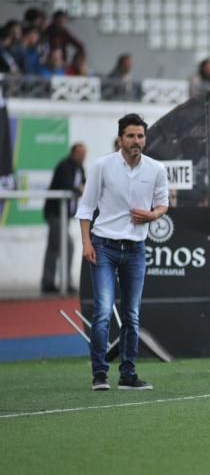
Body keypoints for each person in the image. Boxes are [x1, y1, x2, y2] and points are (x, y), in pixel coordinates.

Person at [76, 113, 169, 391]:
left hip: (135, 249)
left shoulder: (156, 169)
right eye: (131, 136)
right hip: (103, 245)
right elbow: (85, 208)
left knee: (132, 314)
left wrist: (153, 216)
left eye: (140, 136)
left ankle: (128, 375)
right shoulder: (102, 166)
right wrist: (86, 243)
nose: (136, 141)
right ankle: (99, 375)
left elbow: (163, 204)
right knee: (103, 311)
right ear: (120, 139)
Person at [42, 143, 86, 293]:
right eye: (80, 154)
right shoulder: (65, 166)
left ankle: (48, 283)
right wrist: (78, 189)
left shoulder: (80, 168)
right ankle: (65, 282)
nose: (82, 157)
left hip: (65, 215)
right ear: (73, 153)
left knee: (53, 248)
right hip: (55, 213)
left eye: (84, 154)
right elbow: (66, 184)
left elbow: (84, 184)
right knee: (68, 246)